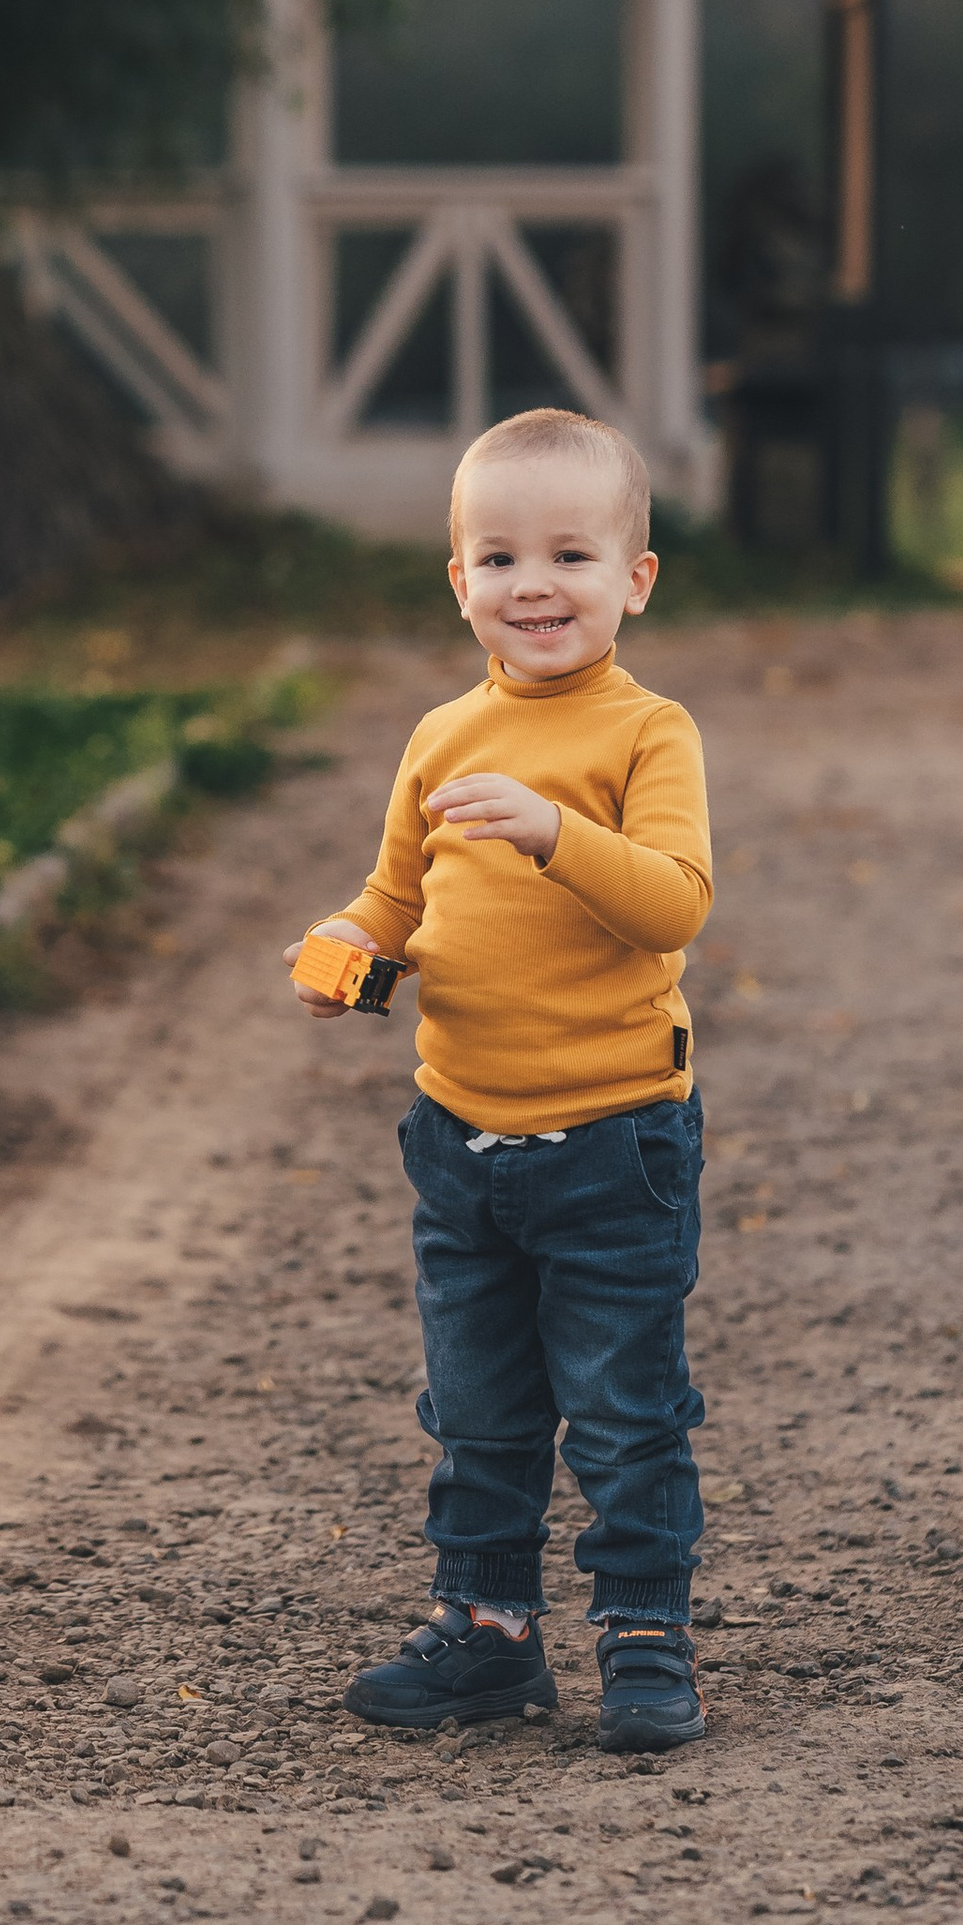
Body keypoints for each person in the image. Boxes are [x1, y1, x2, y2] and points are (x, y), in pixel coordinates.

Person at [286, 406, 713, 1755]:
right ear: (458, 579)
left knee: (626, 1409)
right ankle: (489, 1632)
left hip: (615, 1143)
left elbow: (672, 904)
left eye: (573, 556)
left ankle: (644, 1633)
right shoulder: (440, 736)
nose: (536, 585)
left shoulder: (647, 734)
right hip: (459, 1141)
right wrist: (353, 947)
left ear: (633, 582)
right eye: (501, 557)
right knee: (476, 1407)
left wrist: (553, 834)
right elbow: (395, 896)